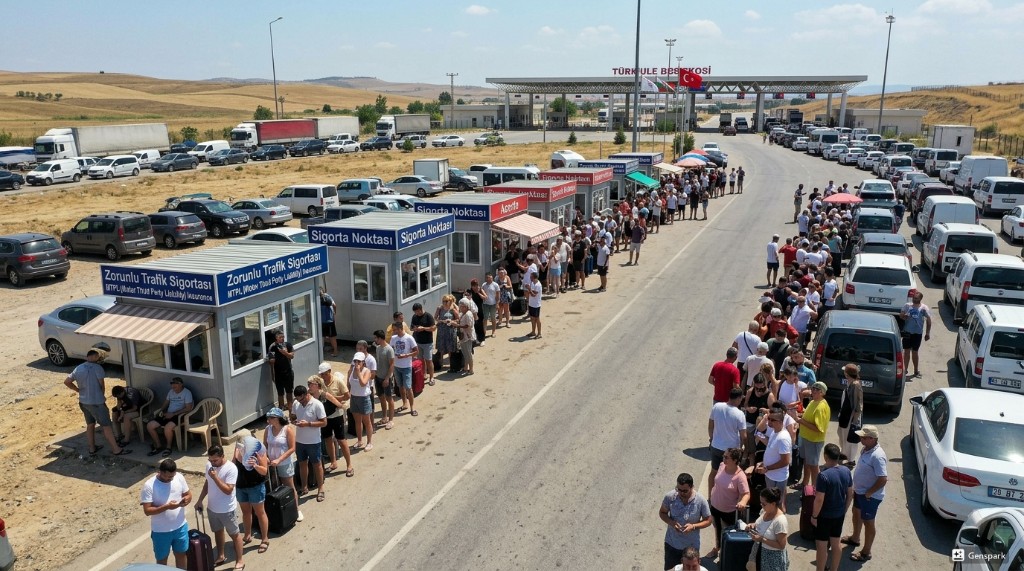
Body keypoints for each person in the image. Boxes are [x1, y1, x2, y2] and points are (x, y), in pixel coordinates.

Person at [64, 349, 130, 457]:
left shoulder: (79, 368)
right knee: (106, 426)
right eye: (99, 357)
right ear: (94, 356)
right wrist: (101, 397)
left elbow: (67, 381)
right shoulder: (98, 368)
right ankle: (116, 449)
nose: (100, 359)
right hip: (96, 402)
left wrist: (77, 390)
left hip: (83, 402)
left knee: (90, 424)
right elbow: (101, 386)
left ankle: (92, 448)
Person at [196, 445, 245, 570]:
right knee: (218, 532)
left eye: (215, 460)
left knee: (235, 534)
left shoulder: (231, 469)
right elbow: (207, 483)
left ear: (222, 456)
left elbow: (228, 490)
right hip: (212, 508)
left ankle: (240, 560)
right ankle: (221, 555)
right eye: (210, 460)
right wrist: (200, 500)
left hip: (227, 509)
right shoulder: (210, 466)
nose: (212, 463)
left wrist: (215, 477)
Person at [844, 425, 888, 563]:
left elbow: (883, 478)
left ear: (872, 439)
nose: (860, 438)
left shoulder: (878, 456)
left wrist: (869, 493)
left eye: (863, 437)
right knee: (856, 513)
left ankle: (866, 552)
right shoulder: (866, 449)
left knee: (869, 523)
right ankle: (855, 538)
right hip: (860, 492)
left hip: (870, 496)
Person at [812, 443, 854, 571]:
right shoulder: (846, 471)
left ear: (825, 456)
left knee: (821, 546)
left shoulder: (823, 476)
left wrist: (814, 516)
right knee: (836, 543)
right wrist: (844, 509)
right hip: (839, 515)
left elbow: (819, 499)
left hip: (824, 517)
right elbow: (850, 493)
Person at [659, 473, 712, 571]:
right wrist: (672, 523)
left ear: (692, 487)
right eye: (679, 489)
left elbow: (708, 520)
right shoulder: (670, 497)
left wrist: (694, 526)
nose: (681, 493)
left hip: (691, 548)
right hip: (672, 545)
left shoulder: (700, 501)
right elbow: (662, 513)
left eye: (685, 491)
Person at [706, 448, 750, 560]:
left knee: (728, 533)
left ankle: (726, 554)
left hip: (729, 511)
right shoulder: (721, 465)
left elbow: (746, 493)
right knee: (717, 529)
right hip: (715, 506)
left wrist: (742, 502)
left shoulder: (740, 476)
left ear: (735, 460)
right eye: (723, 456)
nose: (723, 458)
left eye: (726, 457)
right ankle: (717, 548)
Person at [263, 407, 302, 523]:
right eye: (268, 418)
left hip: (284, 463)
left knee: (289, 486)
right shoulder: (267, 429)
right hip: (271, 464)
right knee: (275, 488)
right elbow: (264, 445)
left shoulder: (287, 430)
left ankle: (296, 510)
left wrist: (279, 460)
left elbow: (292, 448)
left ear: (278, 419)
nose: (268, 420)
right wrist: (266, 457)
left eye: (271, 418)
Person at [232, 436, 269, 554]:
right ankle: (247, 534)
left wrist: (255, 465)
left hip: (255, 486)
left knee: (259, 512)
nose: (240, 445)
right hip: (241, 486)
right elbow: (233, 464)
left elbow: (264, 471)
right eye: (239, 442)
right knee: (246, 512)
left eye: (242, 442)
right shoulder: (238, 449)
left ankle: (264, 539)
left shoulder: (258, 449)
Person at [290, 383, 327, 502]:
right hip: (300, 441)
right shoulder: (297, 403)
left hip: (314, 441)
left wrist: (308, 424)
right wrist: (293, 420)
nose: (299, 402)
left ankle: (320, 489)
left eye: (301, 399)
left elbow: (324, 422)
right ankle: (304, 487)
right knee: (302, 464)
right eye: (297, 399)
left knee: (317, 464)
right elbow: (293, 416)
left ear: (306, 395)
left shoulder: (317, 405)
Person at [310, 370, 350, 477]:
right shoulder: (311, 397)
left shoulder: (325, 394)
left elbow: (339, 404)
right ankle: (333, 462)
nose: (309, 386)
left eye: (310, 384)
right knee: (328, 440)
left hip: (336, 417)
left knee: (341, 440)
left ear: (316, 385)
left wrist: (338, 407)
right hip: (325, 421)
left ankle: (349, 465)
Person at [708, 388, 747, 496]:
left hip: (716, 447)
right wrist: (742, 448)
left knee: (714, 472)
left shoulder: (717, 407)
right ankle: (726, 497)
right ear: (738, 398)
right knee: (731, 475)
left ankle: (711, 497)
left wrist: (712, 439)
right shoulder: (739, 414)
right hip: (731, 451)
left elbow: (710, 425)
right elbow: (743, 436)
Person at [793, 382, 831, 490]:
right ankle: (805, 484)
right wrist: (801, 414)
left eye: (817, 389)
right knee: (806, 462)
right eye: (813, 388)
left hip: (813, 441)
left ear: (822, 393)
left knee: (813, 466)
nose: (813, 391)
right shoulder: (813, 402)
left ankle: (815, 490)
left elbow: (818, 429)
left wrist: (800, 421)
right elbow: (808, 417)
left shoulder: (821, 407)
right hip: (805, 438)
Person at [755, 409, 793, 513]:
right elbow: (771, 450)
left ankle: (780, 524)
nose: (769, 421)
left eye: (772, 419)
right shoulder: (775, 432)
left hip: (777, 478)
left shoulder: (783, 438)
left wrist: (767, 468)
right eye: (768, 418)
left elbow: (785, 461)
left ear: (780, 422)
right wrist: (763, 463)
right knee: (771, 502)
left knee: (778, 503)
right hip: (771, 475)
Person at [146, 377, 194, 457]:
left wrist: (174, 414)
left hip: (180, 415)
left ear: (181, 384)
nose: (173, 386)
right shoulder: (171, 392)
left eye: (175, 384)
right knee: (150, 425)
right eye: (172, 384)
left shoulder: (187, 393)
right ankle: (158, 446)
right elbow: (166, 403)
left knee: (167, 427)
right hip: (169, 413)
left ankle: (168, 447)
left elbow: (188, 408)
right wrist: (160, 411)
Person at [749, 487, 790, 571]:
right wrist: (753, 525)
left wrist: (762, 539)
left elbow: (781, 545)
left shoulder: (780, 521)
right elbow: (761, 524)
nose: (761, 505)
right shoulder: (764, 511)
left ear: (773, 504)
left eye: (764, 504)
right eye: (761, 503)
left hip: (773, 560)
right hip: (759, 554)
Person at [900, 290, 932, 377]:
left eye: (916, 298)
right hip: (907, 332)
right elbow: (901, 315)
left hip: (917, 333)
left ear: (920, 299)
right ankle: (905, 370)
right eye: (914, 298)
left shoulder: (924, 308)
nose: (914, 299)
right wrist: (904, 316)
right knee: (906, 352)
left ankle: (916, 371)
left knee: (915, 352)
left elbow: (928, 320)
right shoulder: (907, 306)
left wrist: (927, 333)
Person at [836, 363, 864, 464]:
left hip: (851, 416)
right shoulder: (850, 383)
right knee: (842, 434)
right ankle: (844, 453)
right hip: (845, 414)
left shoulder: (855, 385)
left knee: (851, 438)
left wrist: (855, 420)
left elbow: (858, 404)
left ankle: (851, 459)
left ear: (847, 374)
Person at [390, 322, 420, 414]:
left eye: (395, 329)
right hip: (396, 366)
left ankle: (412, 408)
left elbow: (416, 352)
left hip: (406, 366)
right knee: (400, 386)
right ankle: (404, 404)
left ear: (400, 328)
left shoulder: (409, 338)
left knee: (408, 387)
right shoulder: (393, 338)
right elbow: (391, 349)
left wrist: (406, 355)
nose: (393, 331)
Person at [373, 330, 396, 431]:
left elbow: (392, 365)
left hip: (386, 378)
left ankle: (391, 420)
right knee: (381, 398)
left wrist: (387, 378)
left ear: (380, 338)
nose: (375, 340)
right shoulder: (378, 348)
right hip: (378, 377)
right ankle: (384, 417)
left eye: (376, 338)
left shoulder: (389, 349)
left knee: (389, 399)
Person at [410, 303, 437, 386]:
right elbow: (411, 327)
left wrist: (424, 328)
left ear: (420, 309)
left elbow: (433, 328)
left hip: (427, 342)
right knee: (421, 360)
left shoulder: (428, 316)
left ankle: (432, 377)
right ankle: (423, 375)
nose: (416, 313)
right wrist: (415, 329)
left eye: (417, 311)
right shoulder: (414, 317)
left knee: (428, 360)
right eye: (415, 312)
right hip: (418, 342)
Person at [267, 330, 295, 409]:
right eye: (280, 337)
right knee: (280, 392)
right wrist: (271, 360)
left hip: (288, 372)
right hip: (278, 373)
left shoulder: (288, 345)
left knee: (289, 391)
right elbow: (271, 360)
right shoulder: (273, 347)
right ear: (276, 338)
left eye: (283, 337)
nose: (282, 338)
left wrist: (285, 353)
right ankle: (281, 406)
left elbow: (292, 356)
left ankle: (290, 407)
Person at [434, 294, 460, 371]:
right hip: (442, 330)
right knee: (441, 348)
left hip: (450, 330)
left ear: (450, 301)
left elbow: (458, 319)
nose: (444, 303)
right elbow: (435, 318)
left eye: (446, 301)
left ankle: (451, 363)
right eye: (443, 301)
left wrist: (451, 321)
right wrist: (441, 321)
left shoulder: (453, 309)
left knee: (450, 348)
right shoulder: (440, 308)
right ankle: (440, 363)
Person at [457, 298, 476, 375]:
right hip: (463, 336)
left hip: (468, 336)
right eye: (460, 306)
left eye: (462, 306)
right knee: (464, 353)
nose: (461, 308)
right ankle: (465, 368)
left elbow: (468, 326)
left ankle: (471, 369)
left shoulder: (468, 314)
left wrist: (457, 325)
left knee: (468, 353)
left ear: (466, 306)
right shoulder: (462, 314)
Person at [319, 286, 338, 357]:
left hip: (321, 321)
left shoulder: (317, 298)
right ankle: (335, 351)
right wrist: (334, 314)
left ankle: (321, 352)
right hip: (330, 321)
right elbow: (334, 305)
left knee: (321, 336)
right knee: (332, 337)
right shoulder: (328, 296)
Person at [526, 271, 543, 338]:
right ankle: (533, 332)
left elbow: (533, 295)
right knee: (532, 318)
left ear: (533, 277)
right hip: (531, 304)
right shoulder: (533, 283)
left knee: (537, 319)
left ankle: (539, 333)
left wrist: (529, 289)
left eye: (531, 276)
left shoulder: (538, 285)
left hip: (536, 305)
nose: (530, 277)